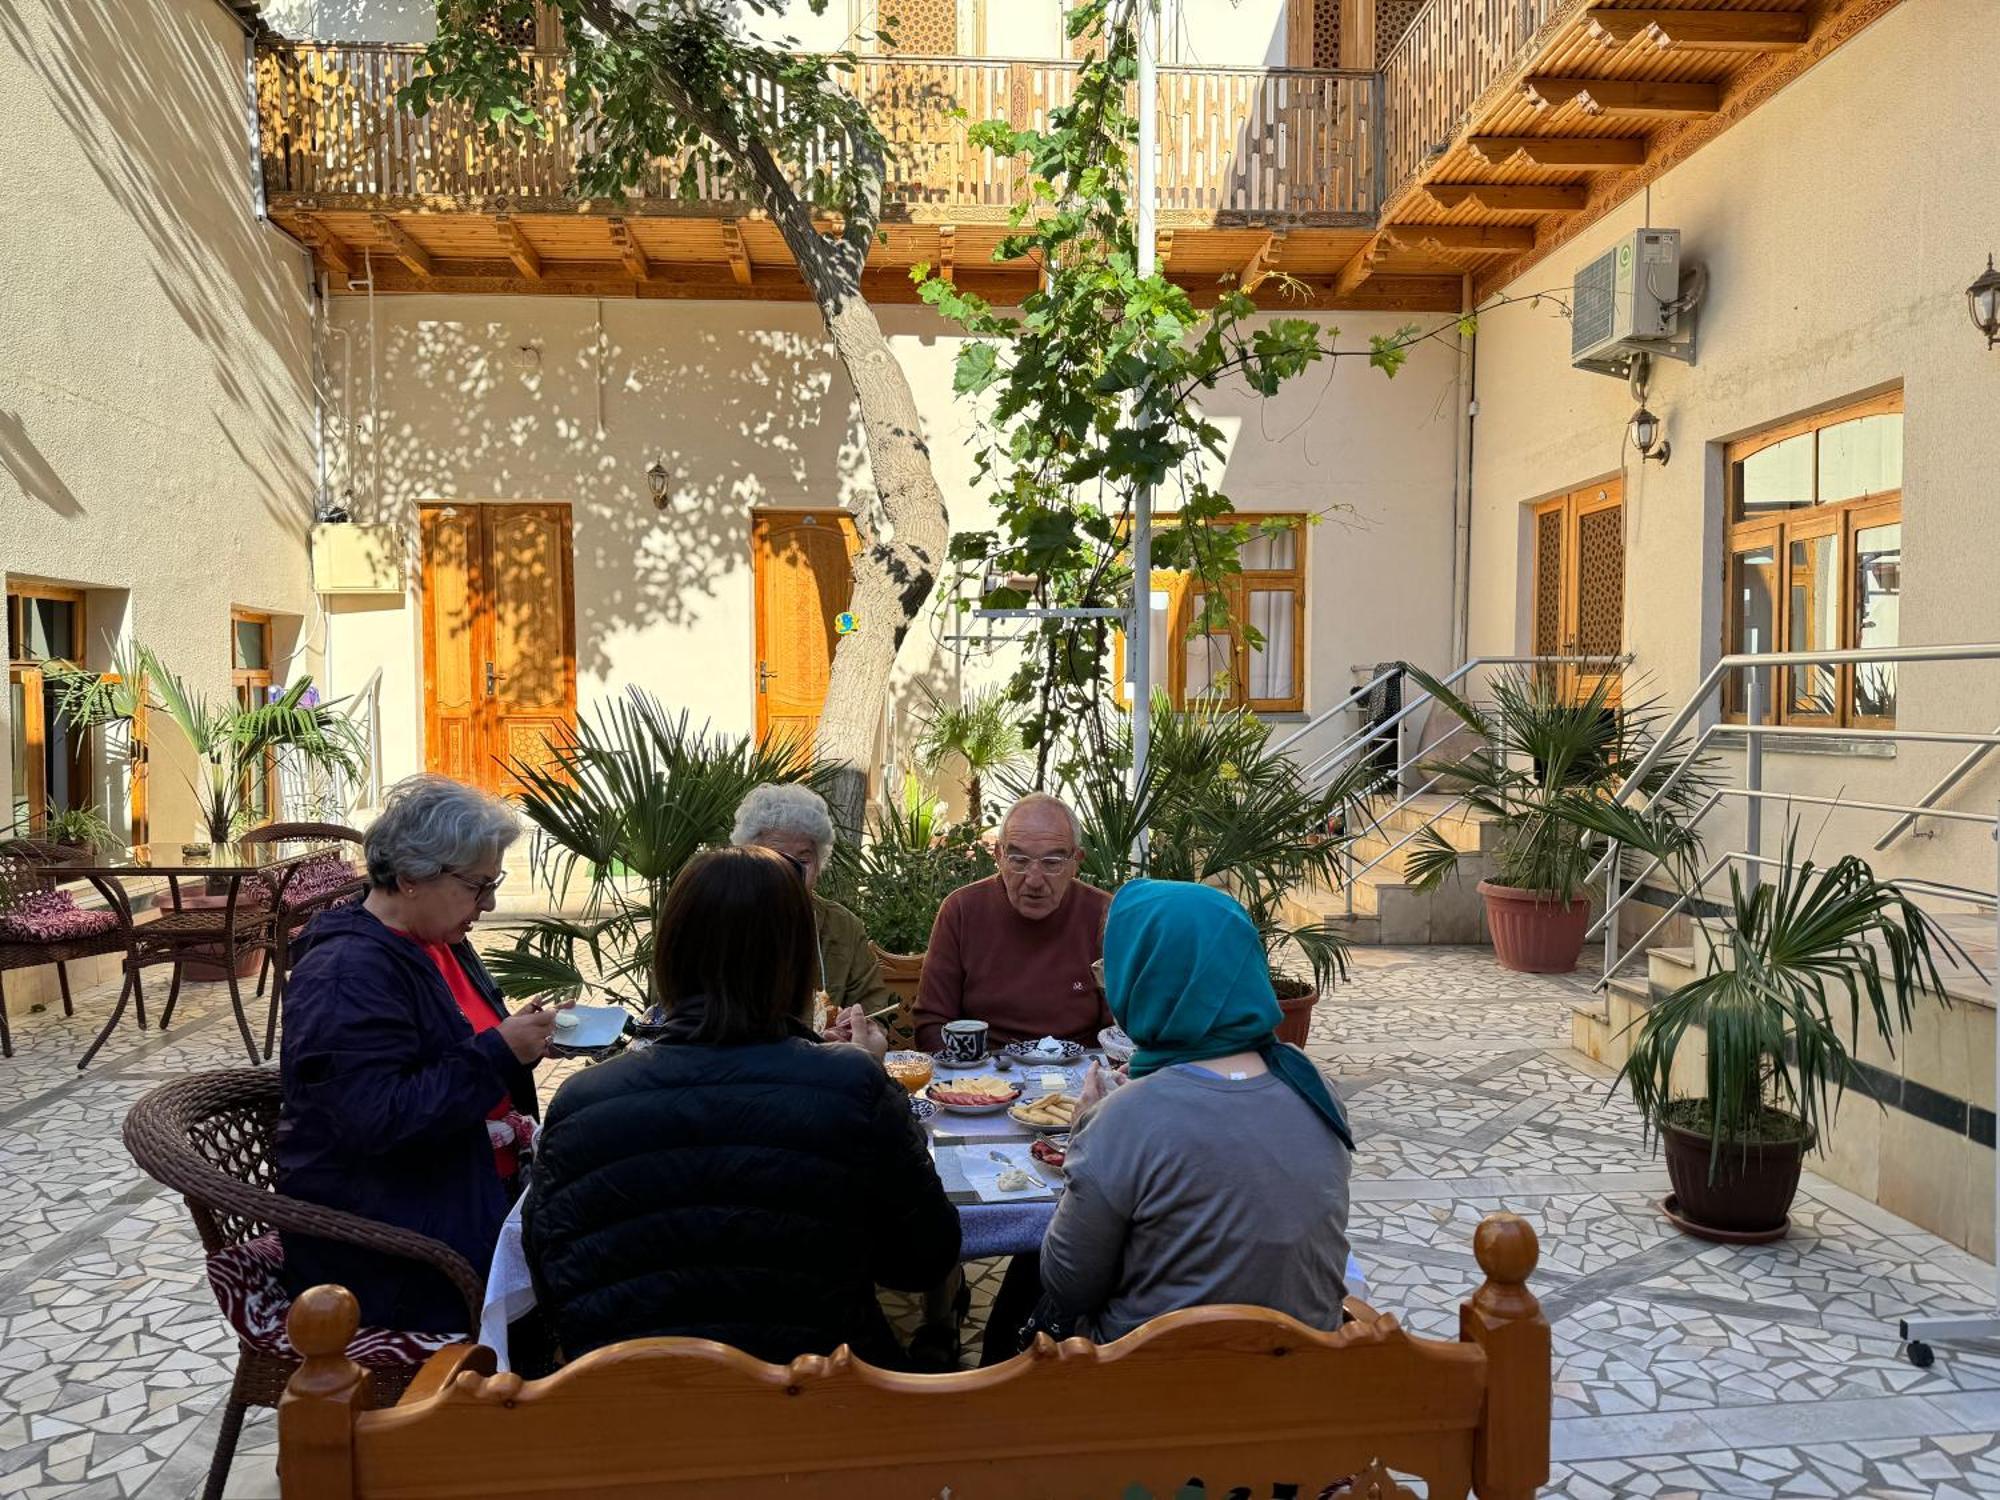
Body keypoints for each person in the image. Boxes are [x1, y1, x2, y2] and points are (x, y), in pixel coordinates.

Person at [525, 846, 961, 1368]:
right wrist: (880, 1085)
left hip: (635, 1409)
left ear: (671, 953)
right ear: (796, 961)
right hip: (821, 1402)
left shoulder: (581, 1103)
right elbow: (923, 1259)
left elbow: (552, 1276)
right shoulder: (848, 1086)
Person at [276, 774, 555, 1333]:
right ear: (409, 877)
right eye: (478, 886)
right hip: (394, 1249)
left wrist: (511, 1041)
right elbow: (378, 1118)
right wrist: (499, 1052)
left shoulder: (434, 944)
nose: (490, 902)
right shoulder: (346, 973)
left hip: (456, 1191)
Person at [1036, 879, 1354, 1345]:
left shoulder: (1124, 1120)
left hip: (1154, 1389)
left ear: (1146, 978)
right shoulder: (1309, 1083)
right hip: (1303, 1382)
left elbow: (1067, 1283)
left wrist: (1087, 1125)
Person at [912, 793, 1111, 1052]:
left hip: (1082, 1073)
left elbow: (1120, 1028)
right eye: (1019, 860)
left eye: (1052, 863)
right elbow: (932, 1022)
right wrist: (969, 1081)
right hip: (985, 1074)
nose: (1034, 880)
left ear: (1076, 862)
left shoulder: (1105, 914)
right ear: (999, 855)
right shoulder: (962, 910)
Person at [731, 782, 892, 1045]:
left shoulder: (843, 927)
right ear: (750, 858)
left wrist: (857, 1028)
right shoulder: (720, 916)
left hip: (826, 1067)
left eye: (803, 861)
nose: (791, 873)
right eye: (777, 859)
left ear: (819, 863)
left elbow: (874, 1011)